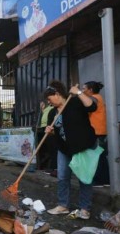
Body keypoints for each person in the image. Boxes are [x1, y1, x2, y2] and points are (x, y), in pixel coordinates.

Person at [44, 80, 97, 220]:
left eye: (50, 99)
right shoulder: (52, 113)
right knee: (62, 177)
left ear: (57, 94)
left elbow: (92, 107)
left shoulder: (74, 103)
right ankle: (63, 205)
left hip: (82, 147)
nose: (49, 102)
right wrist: (50, 131)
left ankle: (84, 209)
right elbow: (58, 131)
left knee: (84, 178)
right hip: (65, 149)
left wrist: (78, 92)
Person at [83, 81, 110, 187]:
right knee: (101, 156)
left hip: (96, 131)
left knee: (96, 156)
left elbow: (88, 106)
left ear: (90, 90)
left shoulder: (94, 98)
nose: (83, 90)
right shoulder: (100, 98)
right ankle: (106, 180)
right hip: (101, 131)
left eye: (84, 88)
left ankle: (98, 180)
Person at [37, 100, 57, 175]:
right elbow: (43, 114)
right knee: (47, 147)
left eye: (50, 99)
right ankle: (49, 167)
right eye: (48, 100)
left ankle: (53, 168)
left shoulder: (54, 108)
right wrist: (42, 108)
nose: (48, 101)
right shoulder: (48, 107)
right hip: (44, 128)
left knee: (52, 148)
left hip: (50, 128)